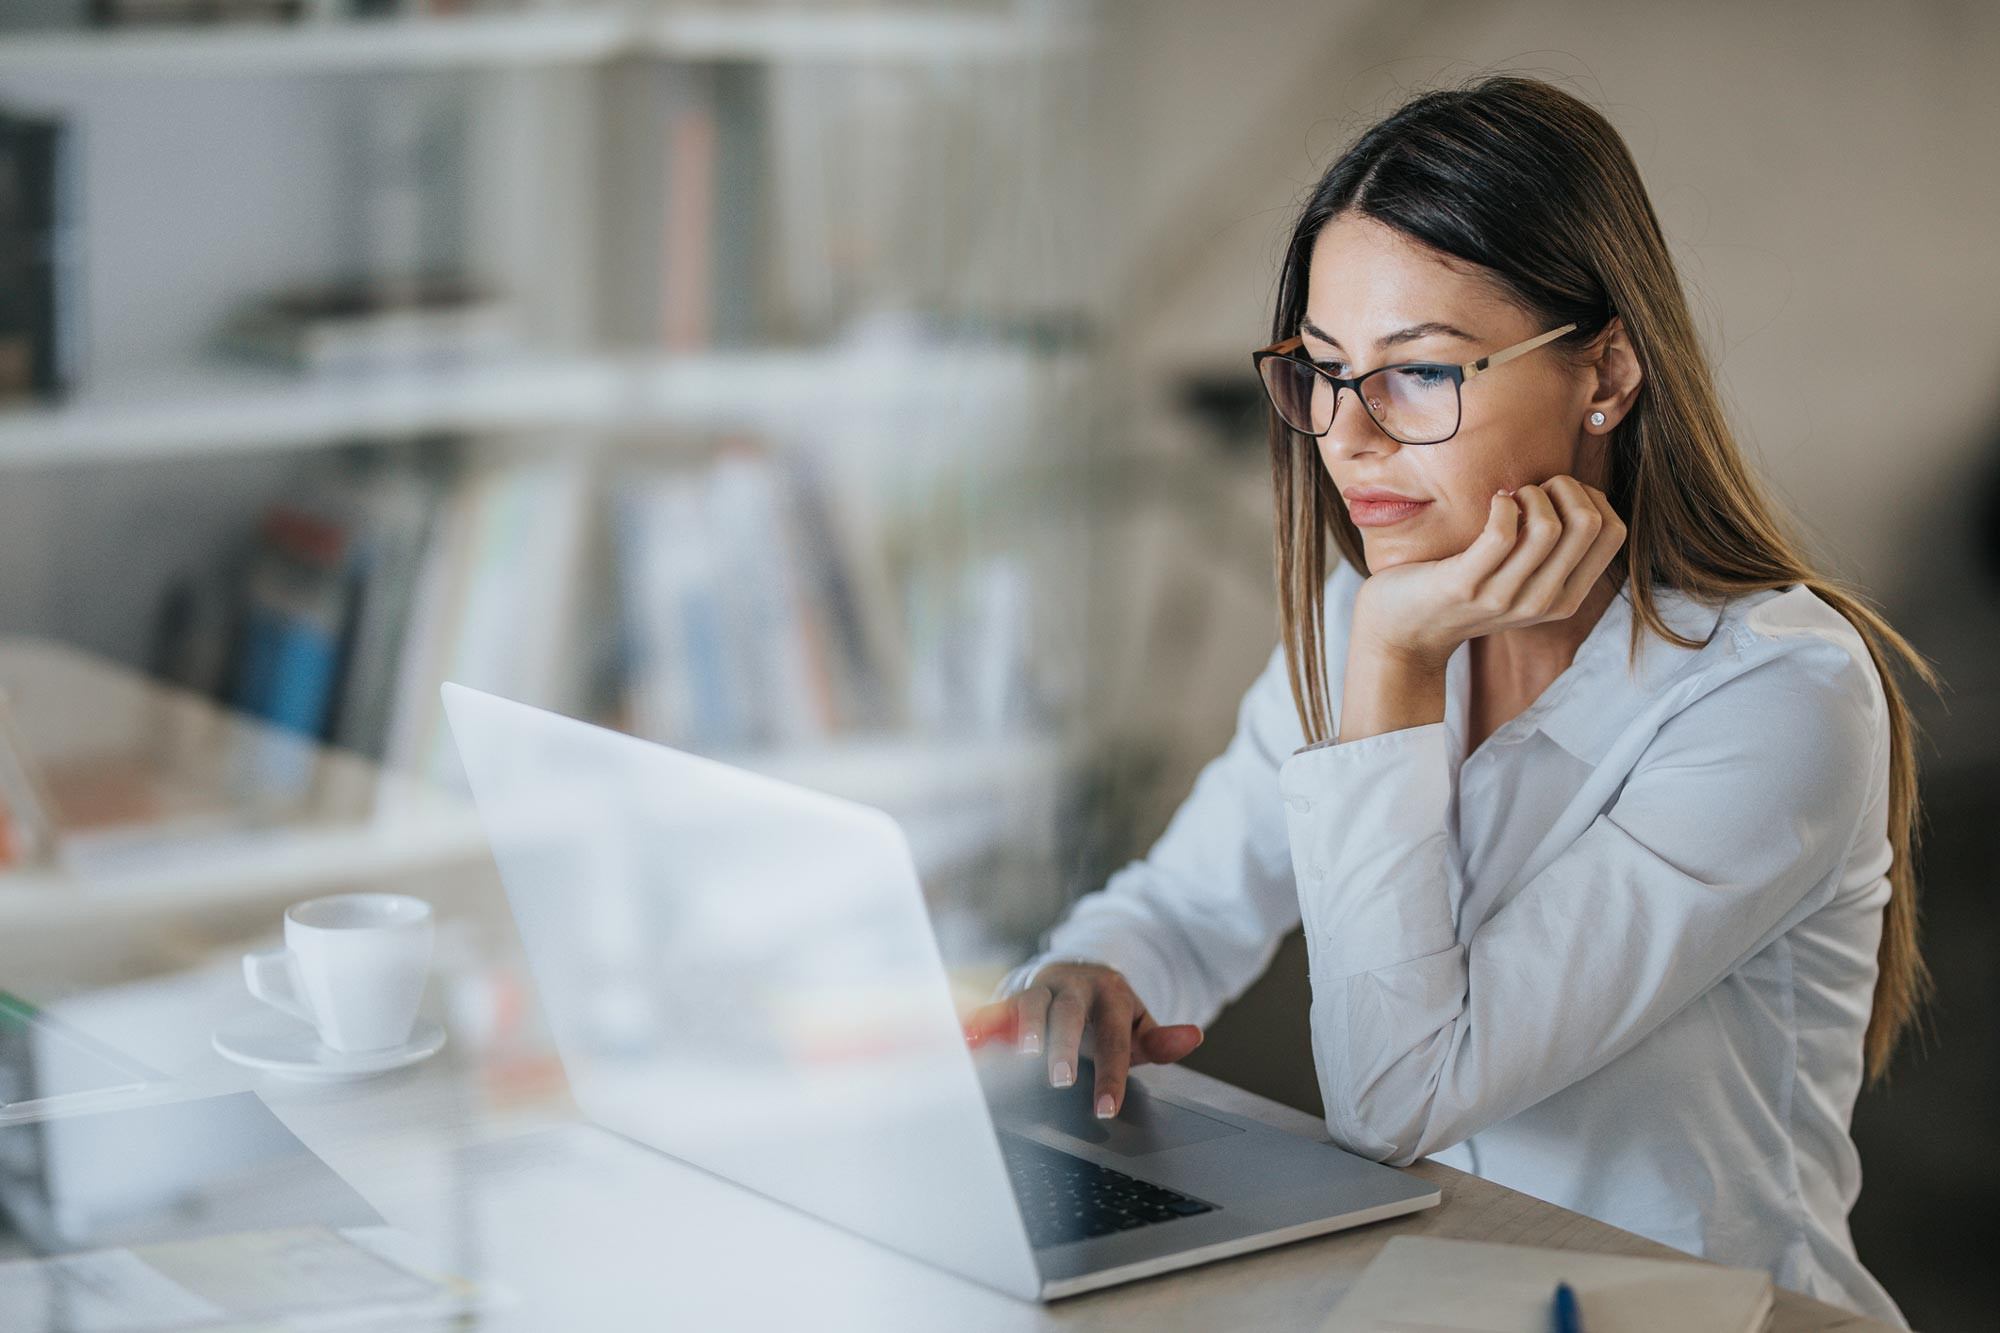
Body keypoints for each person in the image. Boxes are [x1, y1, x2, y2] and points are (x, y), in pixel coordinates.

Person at [961, 75, 1938, 1325]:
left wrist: (1393, 670)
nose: (1348, 438)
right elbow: (1190, 904)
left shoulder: (1771, 698)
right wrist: (1091, 971)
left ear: (1607, 371)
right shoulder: (1362, 614)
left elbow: (1395, 1100)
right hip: (1444, 1290)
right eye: (1319, 371)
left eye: (1418, 372)